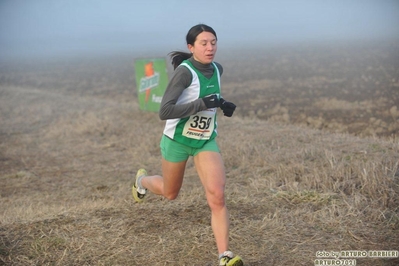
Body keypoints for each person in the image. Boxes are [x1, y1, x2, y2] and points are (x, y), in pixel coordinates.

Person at [132, 24, 243, 266]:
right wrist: (203, 104)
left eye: (213, 42)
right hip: (178, 141)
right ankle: (141, 181)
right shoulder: (184, 73)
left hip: (205, 141)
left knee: (218, 195)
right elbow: (165, 110)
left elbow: (208, 96)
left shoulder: (217, 69)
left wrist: (222, 104)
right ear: (191, 47)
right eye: (203, 43)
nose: (210, 47)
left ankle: (225, 256)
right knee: (170, 193)